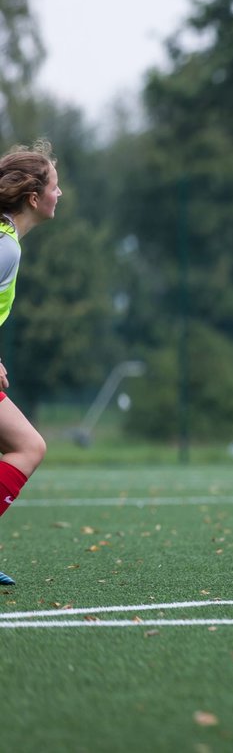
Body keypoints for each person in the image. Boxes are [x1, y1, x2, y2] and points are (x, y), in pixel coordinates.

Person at [0, 140, 62, 587]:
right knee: (29, 447)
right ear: (34, 197)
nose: (61, 195)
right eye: (56, 187)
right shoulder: (6, 249)